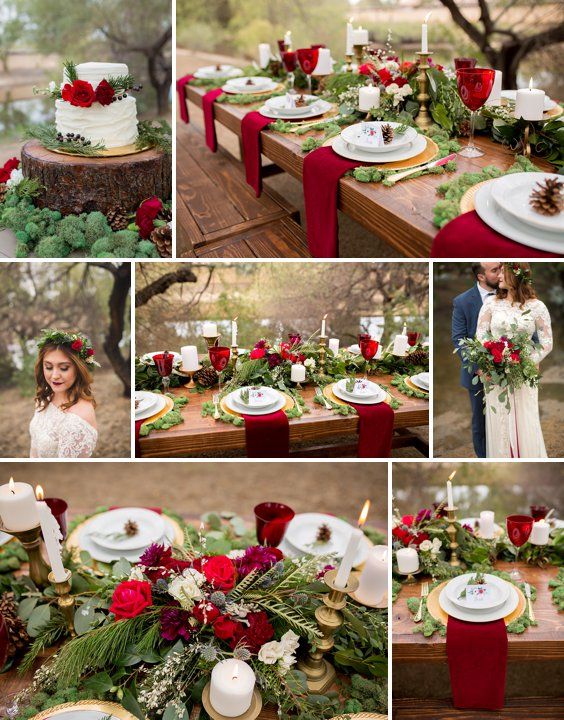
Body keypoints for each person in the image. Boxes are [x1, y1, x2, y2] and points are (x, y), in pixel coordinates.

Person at [476, 263, 552, 458]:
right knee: (500, 418)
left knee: (526, 418)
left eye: (503, 271)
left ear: (516, 276)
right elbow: (481, 335)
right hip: (496, 372)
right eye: (498, 271)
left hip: (524, 372)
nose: (499, 275)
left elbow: (546, 343)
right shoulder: (491, 304)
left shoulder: (537, 307)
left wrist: (526, 361)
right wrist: (494, 358)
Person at [452, 262, 502, 458]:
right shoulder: (462, 301)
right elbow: (459, 339)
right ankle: (484, 458)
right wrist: (479, 368)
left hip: (508, 366)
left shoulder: (508, 295)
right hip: (477, 373)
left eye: (501, 268)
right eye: (494, 270)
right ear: (481, 276)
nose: (500, 274)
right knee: (480, 421)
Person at [30, 329, 99, 458]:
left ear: (78, 369)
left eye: (64, 368)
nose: (55, 376)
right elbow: (34, 450)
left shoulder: (78, 418)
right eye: (49, 367)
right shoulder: (44, 398)